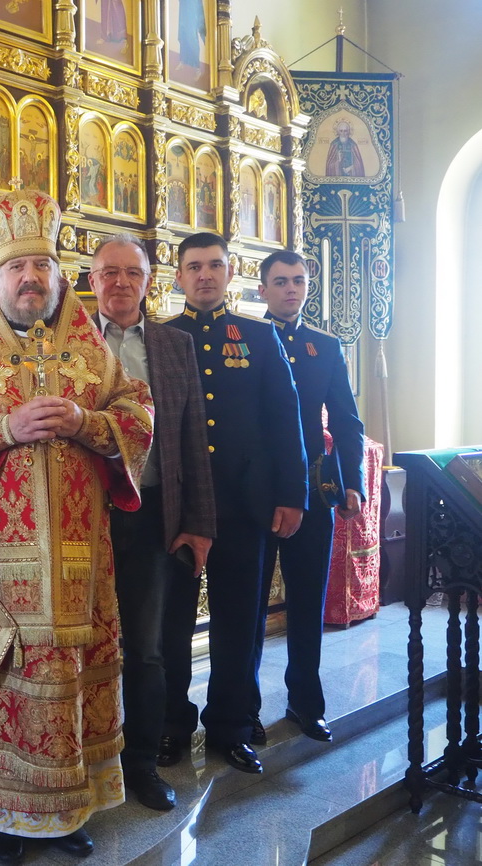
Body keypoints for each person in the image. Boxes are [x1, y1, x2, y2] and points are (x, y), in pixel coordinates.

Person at [0, 190, 153, 863]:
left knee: (73, 680)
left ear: (57, 277)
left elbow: (138, 415)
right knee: (3, 683)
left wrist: (89, 425)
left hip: (81, 564)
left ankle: (68, 808)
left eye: (42, 268)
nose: (30, 280)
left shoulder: (93, 354)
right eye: (17, 270)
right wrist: (0, 428)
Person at [162, 232, 307, 775]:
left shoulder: (257, 336)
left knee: (239, 621)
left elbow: (284, 420)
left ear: (229, 274)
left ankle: (232, 724)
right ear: (177, 276)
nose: (204, 275)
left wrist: (292, 494)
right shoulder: (161, 337)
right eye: (194, 266)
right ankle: (172, 723)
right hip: (177, 507)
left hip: (246, 504)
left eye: (214, 266)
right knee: (171, 624)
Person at [88, 234, 215, 811]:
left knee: (146, 649)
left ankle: (140, 764)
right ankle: (81, 770)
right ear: (91, 281)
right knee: (77, 648)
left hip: (150, 518)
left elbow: (192, 441)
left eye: (130, 273)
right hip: (81, 518)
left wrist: (198, 523)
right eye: (108, 273)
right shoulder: (67, 344)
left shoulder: (173, 344)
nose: (119, 283)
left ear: (147, 280)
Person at [254, 250, 365, 742]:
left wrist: (353, 481)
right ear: (263, 289)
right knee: (249, 606)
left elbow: (345, 420)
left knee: (306, 599)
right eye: (280, 282)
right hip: (255, 490)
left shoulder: (325, 345)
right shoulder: (245, 341)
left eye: (298, 281)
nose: (290, 290)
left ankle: (305, 701)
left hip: (314, 488)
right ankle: (242, 709)